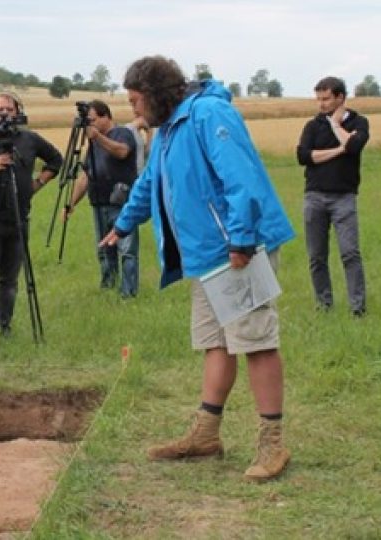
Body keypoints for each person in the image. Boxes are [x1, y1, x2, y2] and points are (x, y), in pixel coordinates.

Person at [101, 56, 295, 482]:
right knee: (216, 343)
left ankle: (272, 443)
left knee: (256, 342)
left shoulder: (209, 113)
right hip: (205, 256)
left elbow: (239, 178)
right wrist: (122, 224)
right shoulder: (170, 128)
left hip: (236, 248)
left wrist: (242, 238)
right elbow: (151, 182)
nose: (132, 110)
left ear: (153, 94)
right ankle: (205, 435)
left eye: (135, 100)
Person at [0, 93, 63, 337]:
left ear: (18, 111)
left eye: (9, 108)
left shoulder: (29, 139)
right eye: (0, 109)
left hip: (19, 219)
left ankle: (3, 327)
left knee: (9, 281)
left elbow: (56, 160)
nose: (5, 113)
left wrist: (37, 184)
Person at [296, 76, 370, 316]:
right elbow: (304, 156)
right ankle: (324, 305)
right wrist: (340, 149)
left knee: (350, 253)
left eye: (326, 99)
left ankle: (357, 308)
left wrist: (337, 127)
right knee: (317, 257)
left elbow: (355, 146)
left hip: (344, 198)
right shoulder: (312, 126)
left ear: (340, 97)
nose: (321, 104)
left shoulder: (360, 122)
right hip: (314, 197)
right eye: (318, 99)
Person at [63, 99, 141, 297]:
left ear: (106, 116)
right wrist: (71, 203)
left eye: (93, 119)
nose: (90, 124)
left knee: (127, 249)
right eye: (88, 121)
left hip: (121, 203)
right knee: (104, 250)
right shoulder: (93, 144)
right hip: (98, 203)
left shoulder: (122, 133)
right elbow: (85, 177)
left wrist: (97, 137)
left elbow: (122, 151)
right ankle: (108, 287)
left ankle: (128, 292)